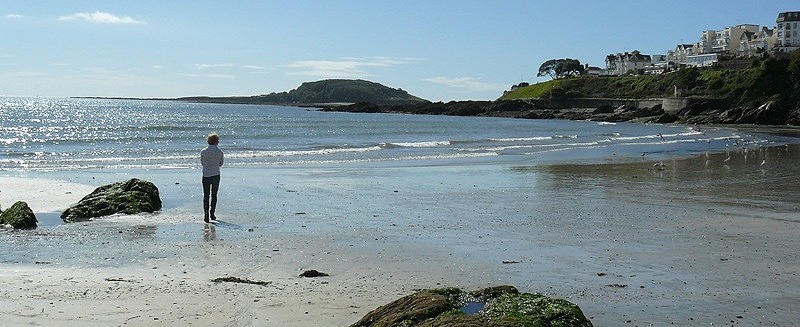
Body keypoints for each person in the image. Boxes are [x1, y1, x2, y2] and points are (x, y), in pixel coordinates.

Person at [200, 133, 224, 223]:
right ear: (216, 141)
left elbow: (202, 163)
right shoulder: (220, 152)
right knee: (214, 194)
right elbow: (221, 163)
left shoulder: (203, 151)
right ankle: (212, 213)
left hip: (206, 174)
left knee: (206, 195)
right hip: (216, 174)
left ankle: (206, 214)